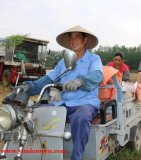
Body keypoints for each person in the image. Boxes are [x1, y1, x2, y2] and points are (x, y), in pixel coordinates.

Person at [11, 25, 103, 160]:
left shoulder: (94, 59)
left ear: (85, 40)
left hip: (84, 103)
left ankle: (77, 156)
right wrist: (28, 87)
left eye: (78, 36)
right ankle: (37, 153)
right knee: (34, 112)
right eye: (71, 38)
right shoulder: (63, 62)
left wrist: (80, 81)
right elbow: (47, 79)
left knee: (81, 117)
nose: (74, 40)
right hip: (63, 104)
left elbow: (97, 76)